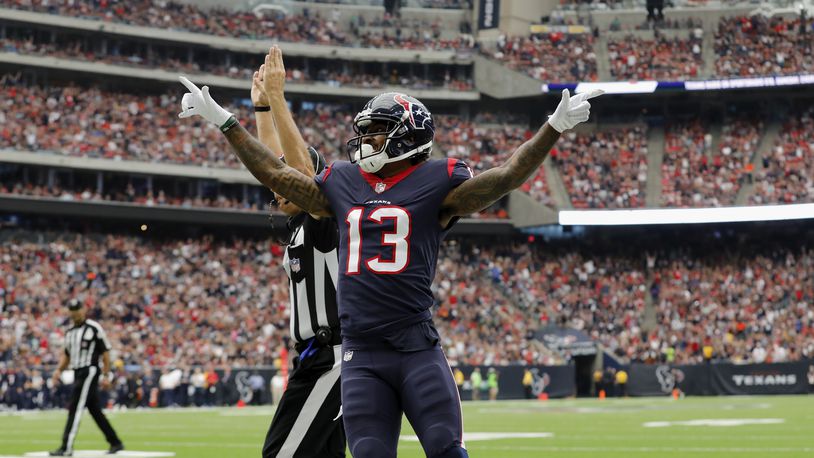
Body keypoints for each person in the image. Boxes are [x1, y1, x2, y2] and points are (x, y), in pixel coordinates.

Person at [178, 60, 600, 457]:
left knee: (446, 448)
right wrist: (224, 120)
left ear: (408, 134)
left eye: (378, 131)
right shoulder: (343, 181)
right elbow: (279, 175)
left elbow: (505, 177)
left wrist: (554, 126)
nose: (367, 140)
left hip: (416, 348)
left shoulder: (438, 179)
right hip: (360, 355)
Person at [253, 47, 346, 457]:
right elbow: (275, 165)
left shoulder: (323, 219)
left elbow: (302, 177)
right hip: (317, 358)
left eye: (291, 180)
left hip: (332, 358)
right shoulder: (298, 225)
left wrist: (278, 100)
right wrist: (260, 109)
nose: (280, 187)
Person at [49, 300, 124, 456]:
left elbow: (105, 352)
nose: (75, 313)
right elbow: (67, 356)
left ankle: (66, 446)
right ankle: (115, 442)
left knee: (75, 407)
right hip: (77, 371)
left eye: (77, 309)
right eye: (72, 310)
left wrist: (105, 374)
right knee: (94, 410)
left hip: (89, 370)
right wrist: (58, 370)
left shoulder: (94, 328)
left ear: (83, 310)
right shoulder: (69, 332)